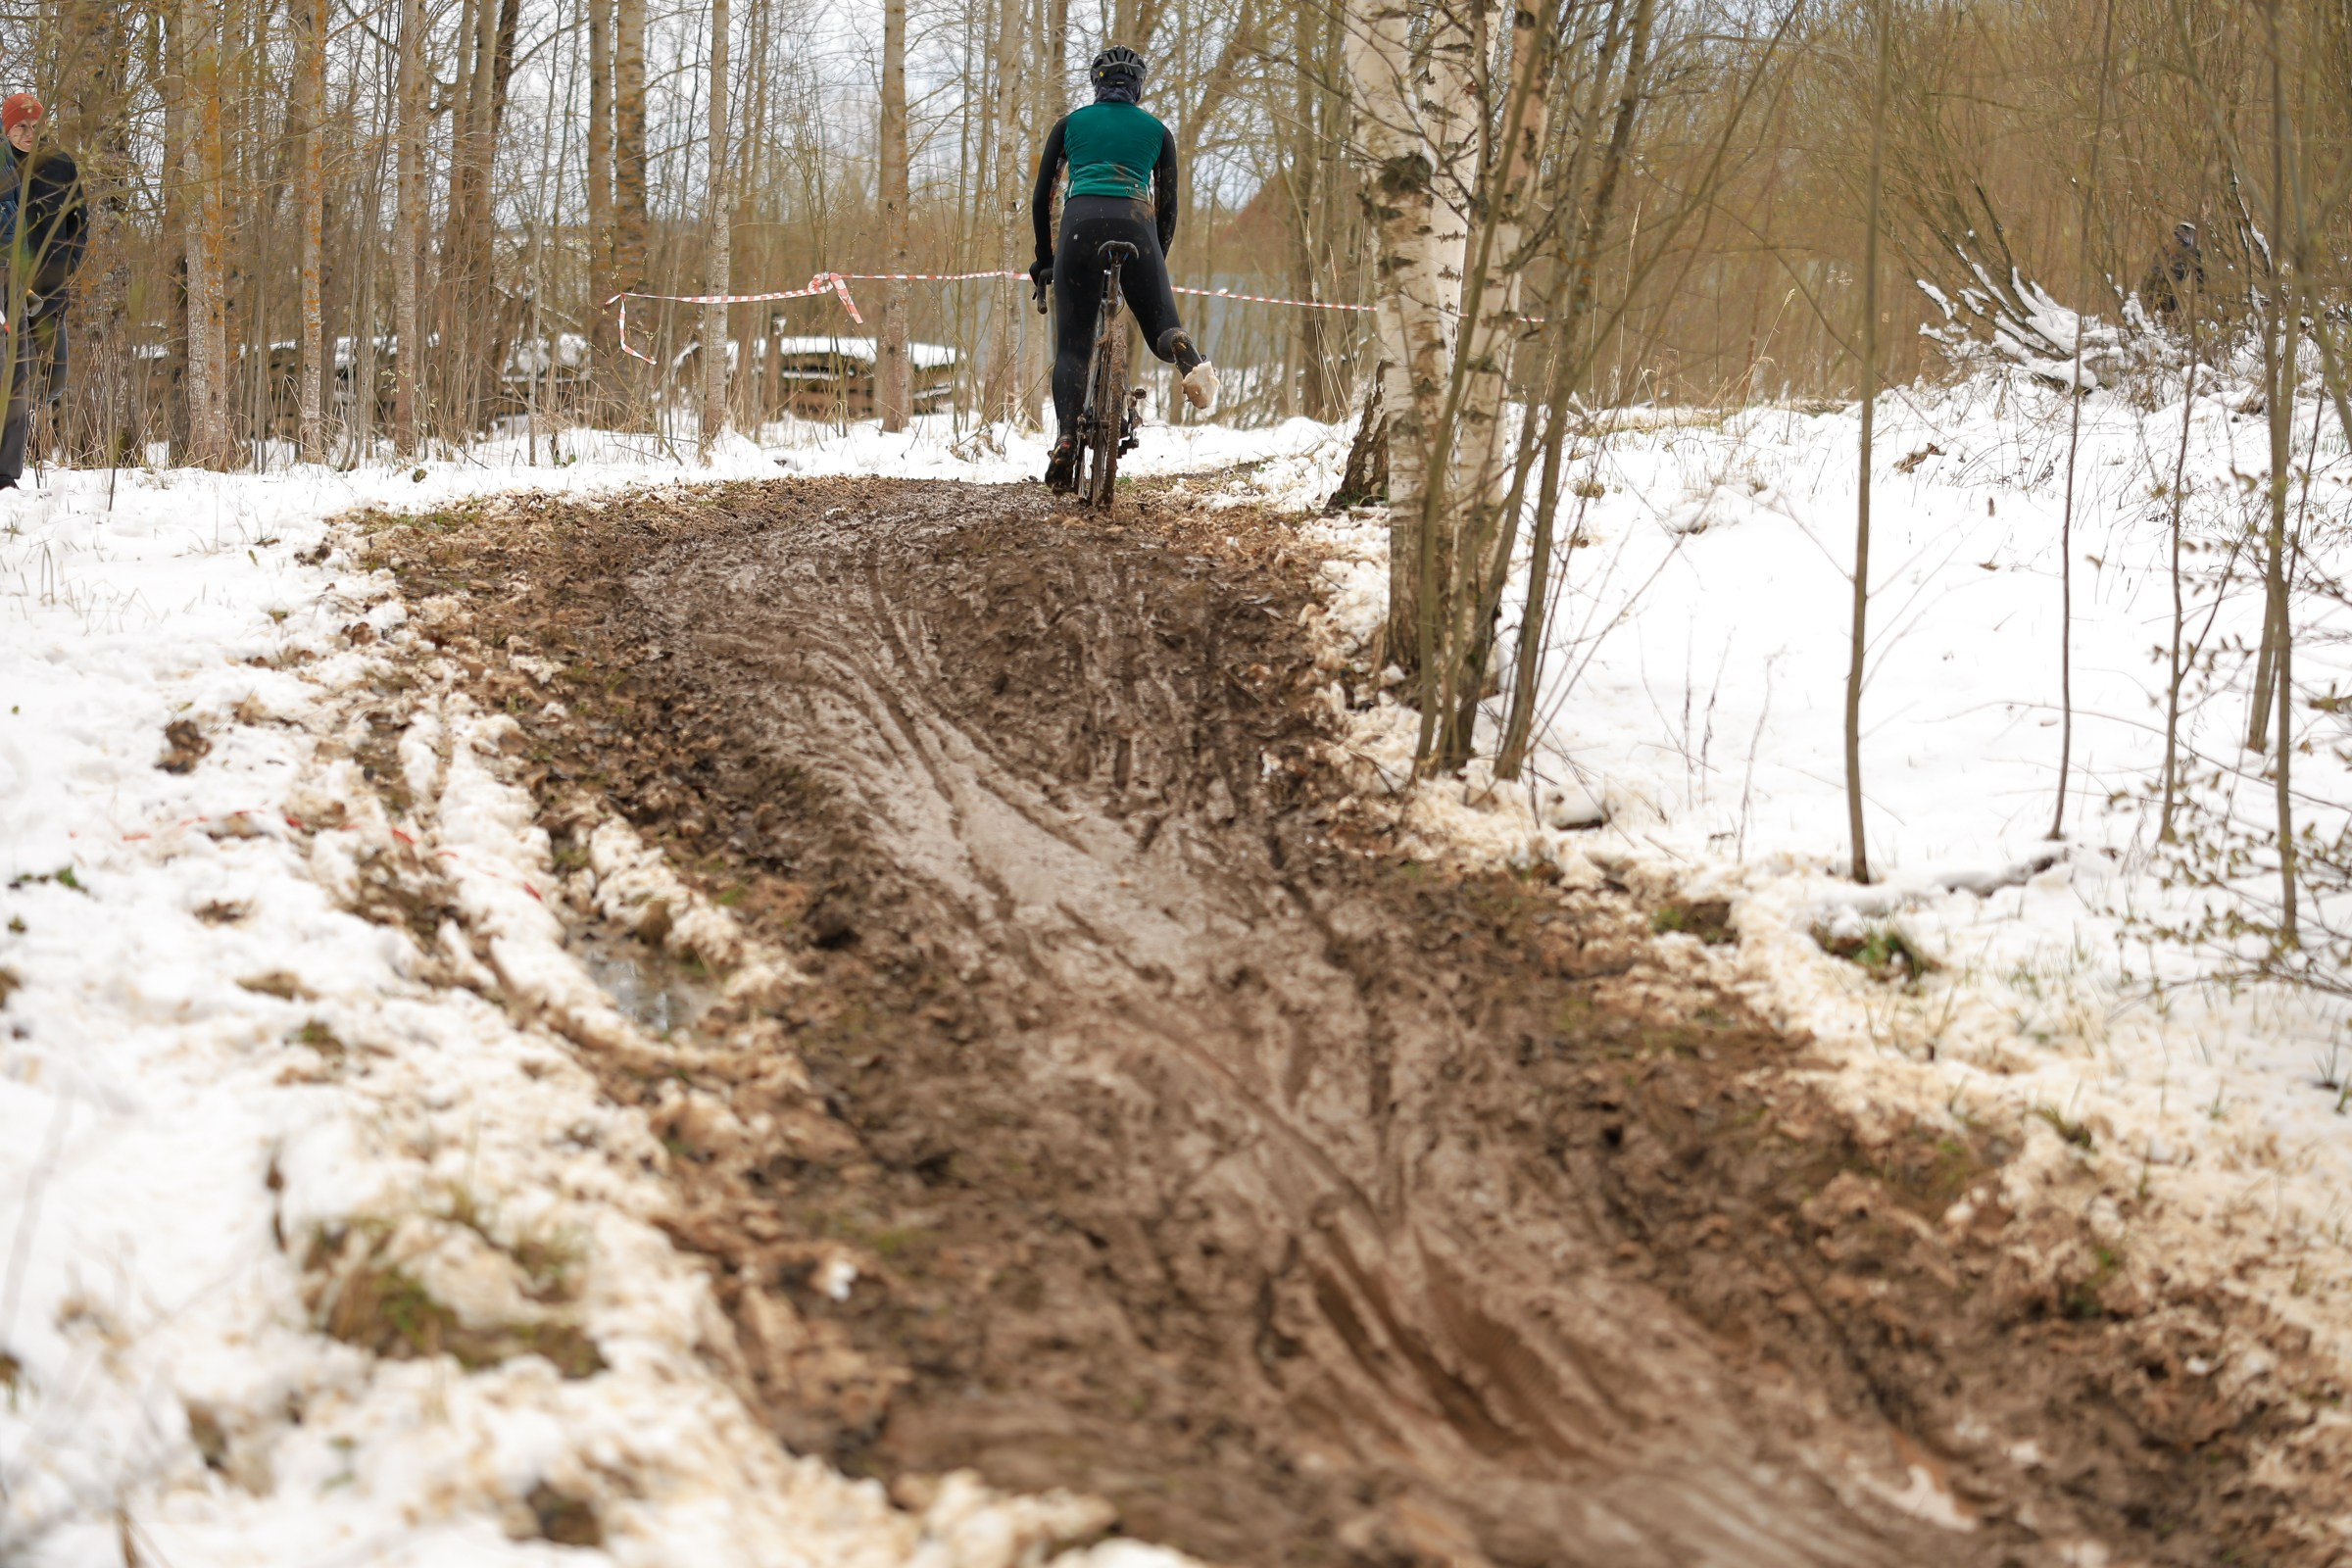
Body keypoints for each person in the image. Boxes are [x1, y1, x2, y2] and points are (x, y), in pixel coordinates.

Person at [1030, 44, 1217, 492]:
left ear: (1097, 84)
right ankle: (1183, 348)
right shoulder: (1157, 131)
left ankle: (1067, 436)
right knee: (1160, 327)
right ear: (1138, 87)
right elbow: (1168, 209)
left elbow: (1042, 198)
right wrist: (1154, 264)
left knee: (1074, 344)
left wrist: (1045, 259)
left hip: (1078, 223)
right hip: (1137, 224)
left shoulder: (1071, 124)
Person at [0, 91, 83, 491]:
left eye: (36, 126)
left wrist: (65, 270)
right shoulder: (3, 166)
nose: (30, 134)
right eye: (21, 127)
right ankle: (7, 471)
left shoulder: (61, 165)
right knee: (14, 375)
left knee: (54, 378)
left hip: (49, 286)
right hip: (12, 285)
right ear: (7, 127)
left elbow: (79, 222)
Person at [2140, 220, 2202, 321]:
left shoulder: (2192, 253)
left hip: (2166, 290)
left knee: (2170, 318)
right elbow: (2154, 273)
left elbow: (2200, 277)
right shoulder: (2167, 250)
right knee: (2163, 318)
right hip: (2160, 289)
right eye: (2180, 233)